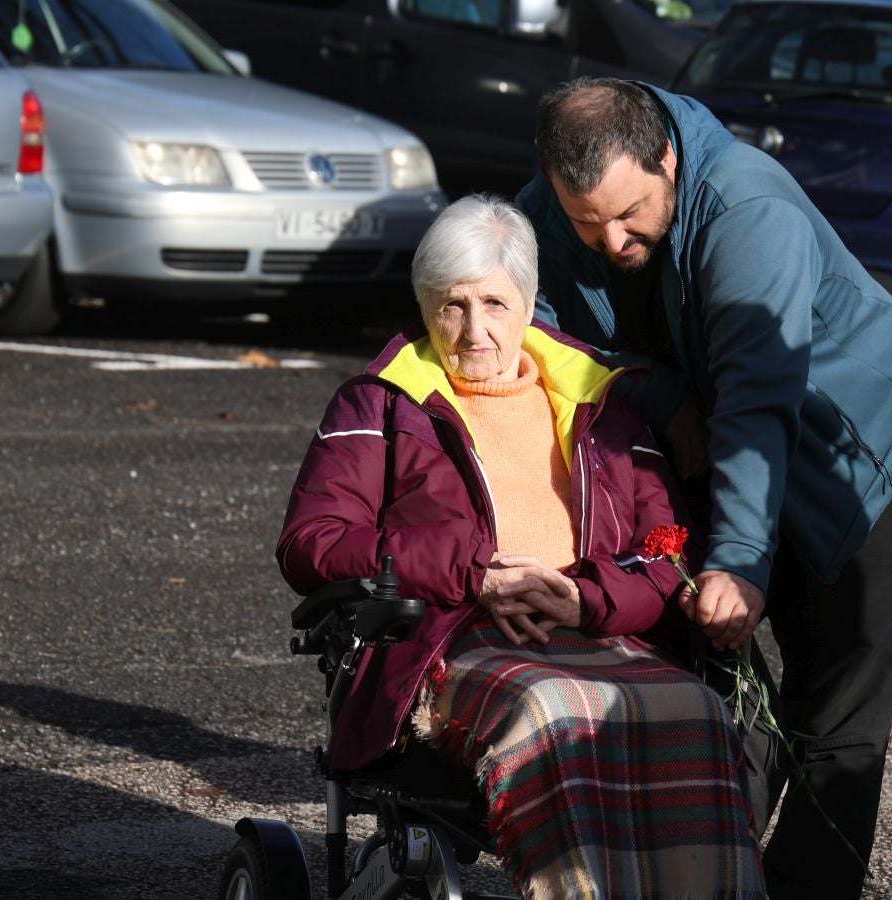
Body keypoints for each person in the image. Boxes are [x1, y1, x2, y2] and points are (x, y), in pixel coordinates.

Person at [515, 78, 892, 897]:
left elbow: (757, 395)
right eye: (586, 223)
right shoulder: (550, 205)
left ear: (667, 159)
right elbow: (539, 336)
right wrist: (657, 391)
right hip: (713, 436)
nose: (611, 241)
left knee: (835, 716)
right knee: (716, 681)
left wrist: (742, 561)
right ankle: (705, 876)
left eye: (630, 214)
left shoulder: (748, 208)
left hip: (853, 451)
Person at [276, 194, 766, 898]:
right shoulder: (380, 401)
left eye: (495, 304)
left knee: (698, 712)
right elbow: (312, 542)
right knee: (553, 709)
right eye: (452, 305)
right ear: (425, 307)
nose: (474, 330)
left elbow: (665, 553)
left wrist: (583, 599)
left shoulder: (600, 402)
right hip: (444, 639)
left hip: (591, 630)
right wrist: (474, 574)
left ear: (530, 304)